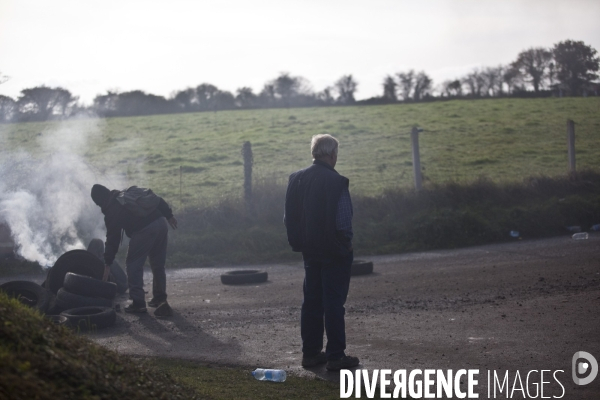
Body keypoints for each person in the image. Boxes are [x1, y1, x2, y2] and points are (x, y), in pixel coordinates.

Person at [284, 134, 359, 371]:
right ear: (332, 154)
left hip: (309, 249)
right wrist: (346, 245)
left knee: (312, 301)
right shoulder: (336, 182)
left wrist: (301, 241)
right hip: (334, 251)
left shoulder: (297, 179)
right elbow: (343, 220)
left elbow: (289, 217)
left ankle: (311, 353)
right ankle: (336, 356)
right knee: (334, 303)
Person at [90, 184, 177, 317]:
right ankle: (160, 298)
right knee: (158, 264)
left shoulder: (112, 209)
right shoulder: (125, 194)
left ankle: (138, 303)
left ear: (100, 201)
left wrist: (107, 261)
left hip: (145, 230)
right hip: (161, 223)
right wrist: (169, 215)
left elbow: (113, 238)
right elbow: (156, 199)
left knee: (133, 264)